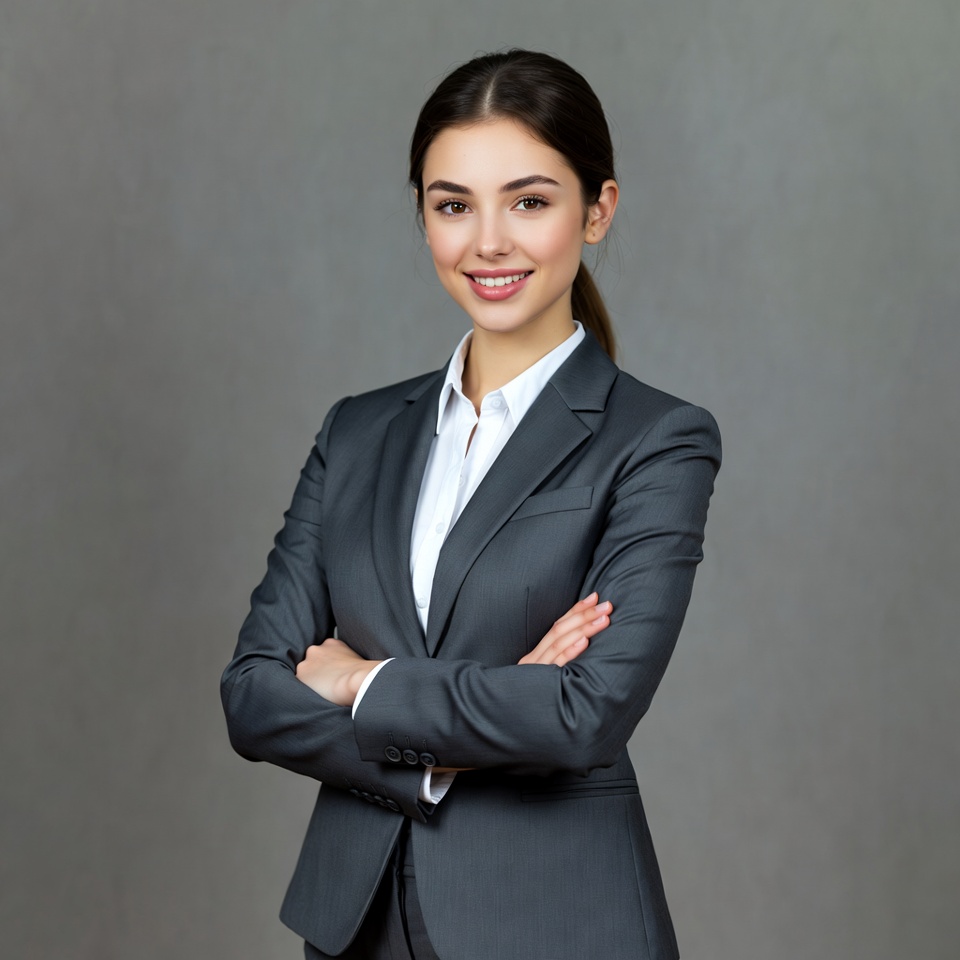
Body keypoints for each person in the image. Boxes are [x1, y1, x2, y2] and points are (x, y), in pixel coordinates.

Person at [221, 49, 721, 960]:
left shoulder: (657, 439)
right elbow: (253, 696)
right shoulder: (357, 432)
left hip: (556, 919)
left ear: (597, 210)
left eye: (529, 201)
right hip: (355, 924)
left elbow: (584, 714)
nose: (488, 241)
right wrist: (456, 749)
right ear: (423, 218)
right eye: (454, 205)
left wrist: (358, 682)